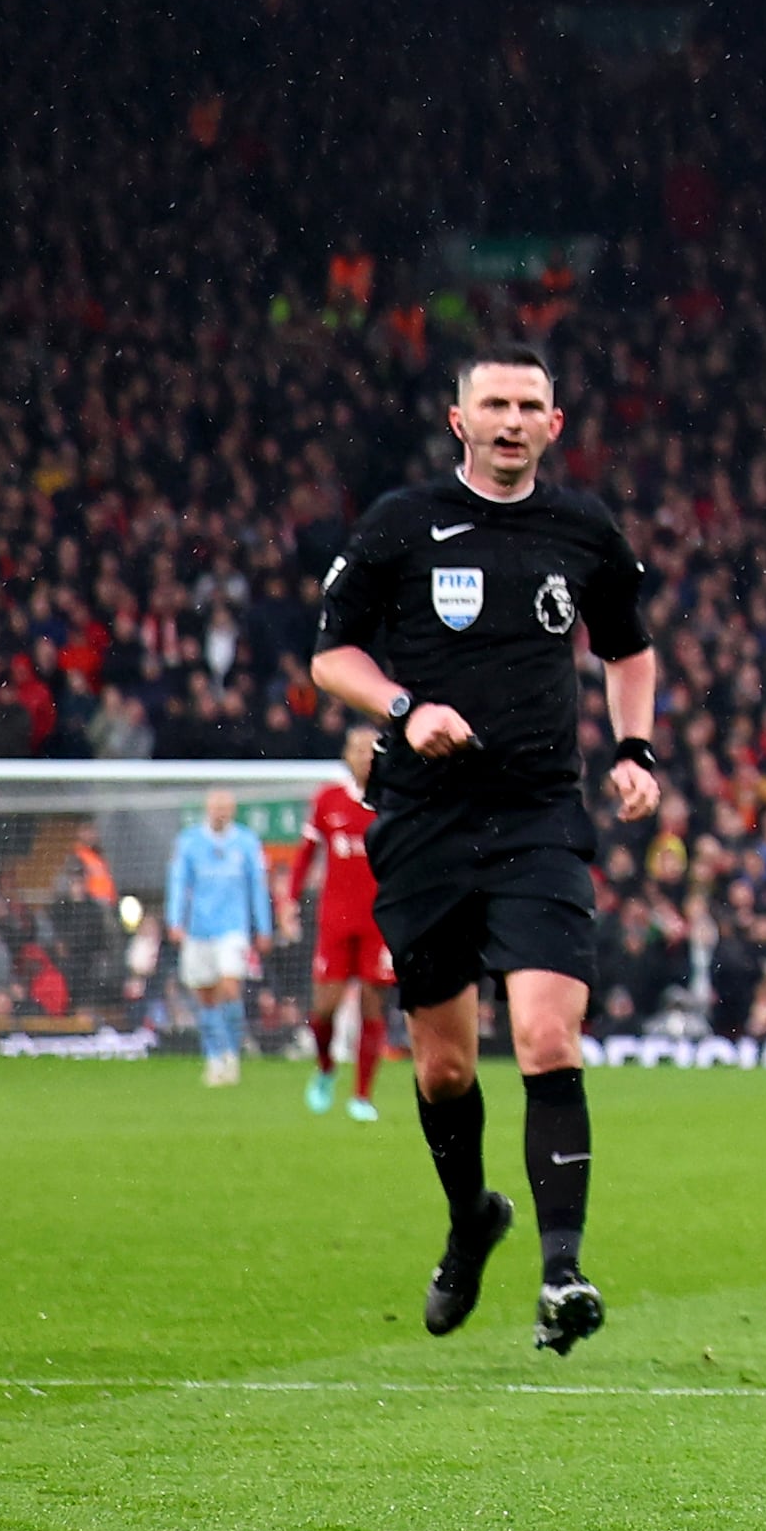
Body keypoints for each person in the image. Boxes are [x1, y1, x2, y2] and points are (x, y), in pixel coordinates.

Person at [305, 347, 666, 1355]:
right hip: (422, 820)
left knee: (550, 1036)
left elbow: (627, 647)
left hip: (540, 815)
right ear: (458, 418)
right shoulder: (401, 523)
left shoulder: (583, 528)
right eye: (493, 403)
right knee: (447, 1068)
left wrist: (635, 748)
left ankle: (563, 1273)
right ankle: (470, 1221)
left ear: (556, 421)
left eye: (529, 405)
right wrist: (406, 707)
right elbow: (330, 655)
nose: (511, 419)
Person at [275, 758, 392, 1120]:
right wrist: (289, 900)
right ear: (347, 756)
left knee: (373, 1005)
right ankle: (326, 1068)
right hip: (337, 920)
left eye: (368, 751)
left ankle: (361, 1095)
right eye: (356, 750)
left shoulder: (391, 801)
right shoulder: (328, 800)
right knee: (324, 1008)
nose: (362, 758)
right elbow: (306, 854)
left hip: (379, 920)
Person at [160, 791, 270, 1086]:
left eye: (226, 808)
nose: (220, 812)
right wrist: (175, 920)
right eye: (216, 807)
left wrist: (264, 927)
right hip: (198, 930)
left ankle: (232, 1056)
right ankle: (213, 1058)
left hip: (233, 930)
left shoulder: (246, 843)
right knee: (206, 998)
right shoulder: (190, 842)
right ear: (207, 809)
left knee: (231, 988)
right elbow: (179, 882)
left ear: (233, 811)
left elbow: (257, 886)